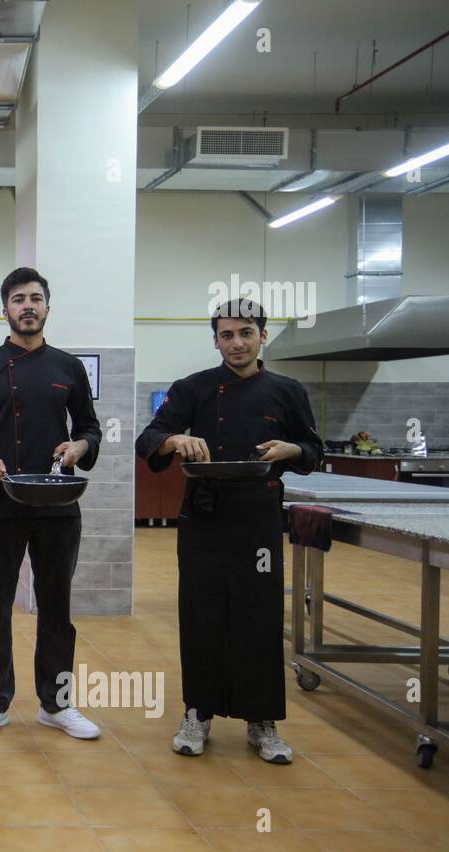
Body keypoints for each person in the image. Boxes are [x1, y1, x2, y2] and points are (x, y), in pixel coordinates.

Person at [135, 299, 322, 764]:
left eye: (245, 333)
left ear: (263, 335)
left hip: (258, 516)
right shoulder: (193, 389)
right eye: (226, 335)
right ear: (215, 340)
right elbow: (148, 441)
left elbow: (313, 450)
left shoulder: (287, 390)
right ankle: (197, 713)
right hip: (204, 515)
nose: (236, 342)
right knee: (202, 614)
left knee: (257, 616)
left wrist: (289, 448)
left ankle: (262, 721)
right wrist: (175, 440)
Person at [0, 267, 103, 741]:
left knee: (56, 605)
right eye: (19, 299)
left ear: (47, 308)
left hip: (58, 504)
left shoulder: (68, 367)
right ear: (6, 311)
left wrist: (80, 447)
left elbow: (90, 428)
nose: (28, 306)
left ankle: (56, 704)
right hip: (1, 502)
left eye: (36, 298)